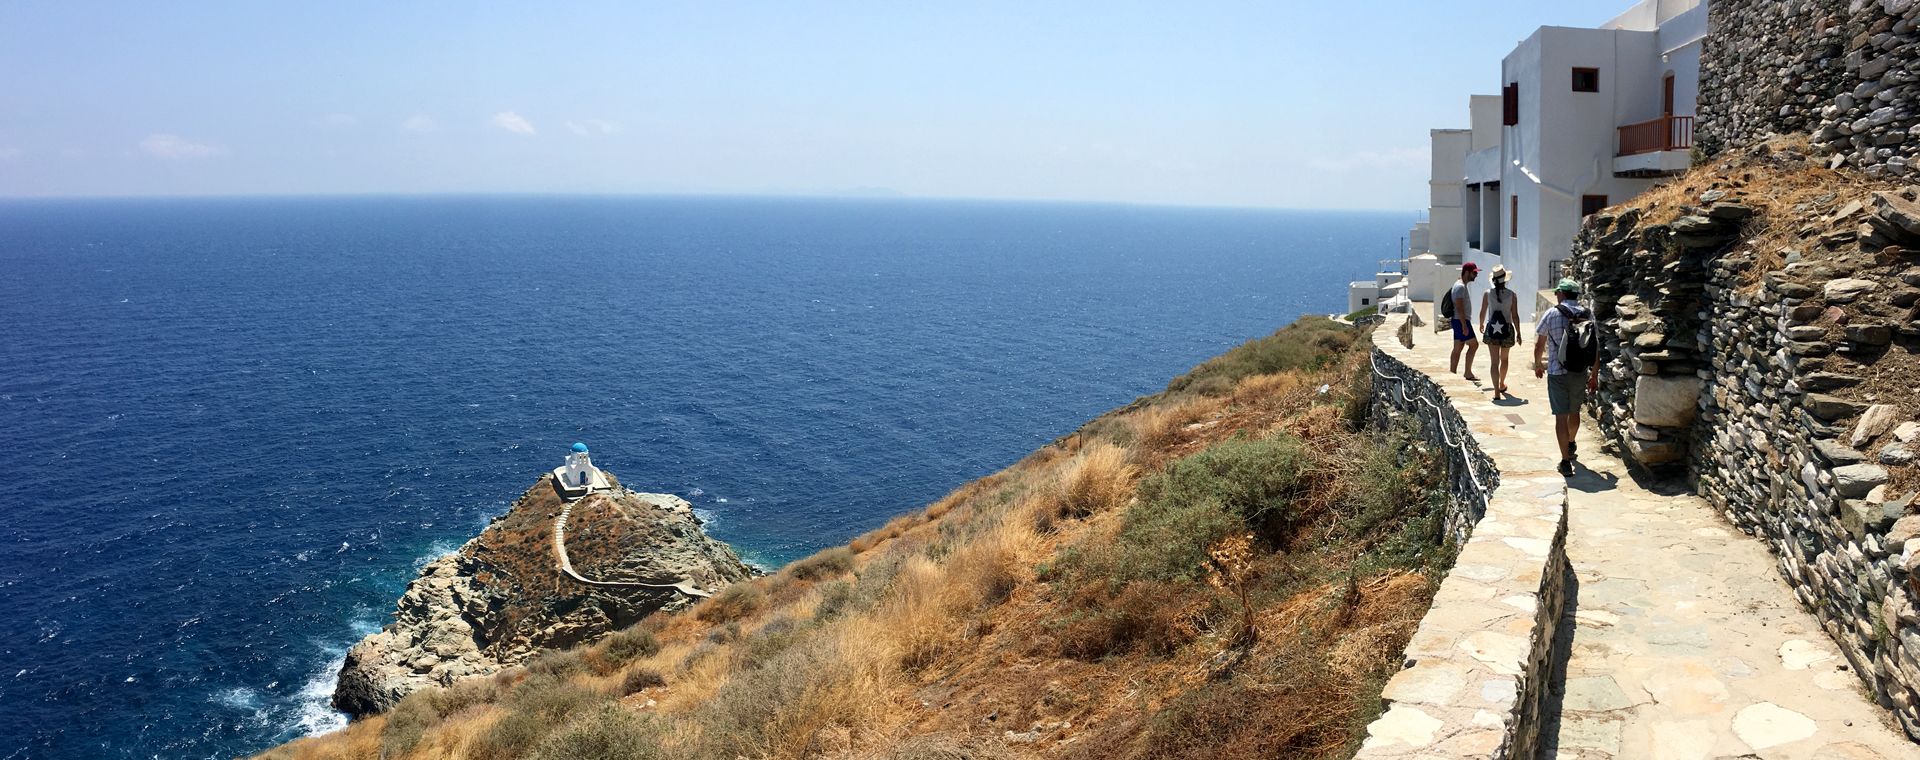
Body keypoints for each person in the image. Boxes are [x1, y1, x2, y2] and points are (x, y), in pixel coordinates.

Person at [1534, 278, 1600, 476]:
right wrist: (1594, 373)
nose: (1555, 295)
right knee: (1575, 412)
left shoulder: (1552, 313)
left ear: (1561, 293)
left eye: (1557, 293)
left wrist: (1538, 364)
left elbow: (1539, 344)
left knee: (1560, 417)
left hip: (1557, 372)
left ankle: (1564, 462)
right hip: (1579, 372)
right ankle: (1571, 443)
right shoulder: (1587, 314)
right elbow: (1594, 347)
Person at [1479, 265, 1522, 399]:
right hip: (1507, 330)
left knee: (1494, 362)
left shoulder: (1488, 294)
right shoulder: (1512, 295)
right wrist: (1519, 332)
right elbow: (1515, 316)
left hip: (1492, 329)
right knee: (1504, 359)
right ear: (1505, 279)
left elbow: (1483, 311)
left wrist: (1481, 324)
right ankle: (1502, 383)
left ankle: (1496, 392)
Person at [1446, 263, 1480, 381]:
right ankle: (1467, 372)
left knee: (1458, 347)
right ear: (1467, 272)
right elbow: (1459, 307)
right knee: (1474, 345)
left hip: (1458, 321)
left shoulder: (1459, 285)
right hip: (1461, 321)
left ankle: (1452, 373)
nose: (1476, 275)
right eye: (1474, 273)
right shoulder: (1460, 287)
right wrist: (1464, 325)